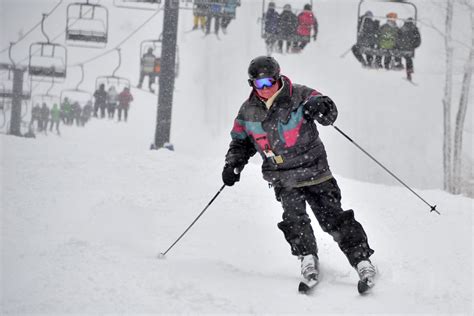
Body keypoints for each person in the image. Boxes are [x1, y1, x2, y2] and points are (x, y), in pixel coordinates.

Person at [222, 56, 376, 289]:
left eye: (269, 82)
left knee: (333, 217)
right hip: (283, 175)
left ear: (278, 78)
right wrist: (233, 164)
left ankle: (361, 260)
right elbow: (241, 142)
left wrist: (322, 106)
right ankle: (307, 258)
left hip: (315, 169)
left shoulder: (300, 96)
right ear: (251, 84)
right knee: (294, 218)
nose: (264, 89)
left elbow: (329, 113)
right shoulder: (248, 111)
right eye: (258, 84)